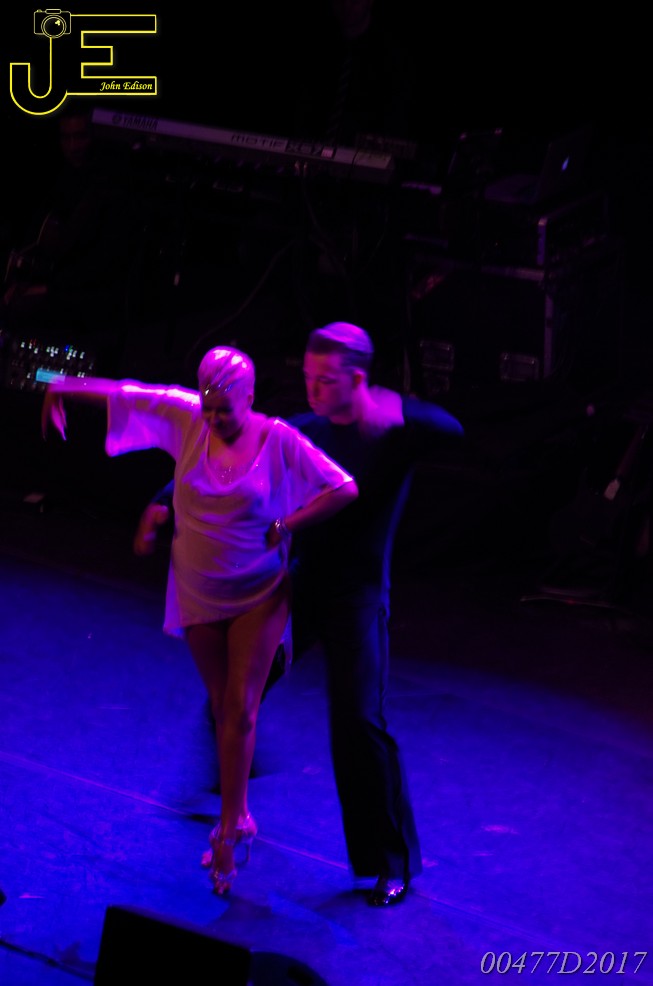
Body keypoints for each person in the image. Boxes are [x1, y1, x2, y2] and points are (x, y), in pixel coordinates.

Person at [135, 322, 464, 907]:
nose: (312, 389)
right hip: (300, 584)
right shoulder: (304, 430)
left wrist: (393, 405)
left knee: (358, 720)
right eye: (308, 377)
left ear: (358, 380)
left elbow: (452, 428)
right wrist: (164, 502)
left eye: (326, 380)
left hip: (358, 595)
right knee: (235, 692)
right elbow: (224, 453)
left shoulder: (393, 431)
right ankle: (229, 788)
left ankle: (389, 863)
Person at [40, 345, 358, 895]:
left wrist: (288, 524)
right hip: (198, 587)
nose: (212, 417)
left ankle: (231, 824)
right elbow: (127, 392)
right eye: (207, 406)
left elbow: (343, 488)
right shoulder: (189, 417)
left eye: (223, 409)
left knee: (240, 708)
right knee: (220, 706)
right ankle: (240, 814)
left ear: (249, 398)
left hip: (259, 591)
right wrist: (59, 386)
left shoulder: (279, 439)